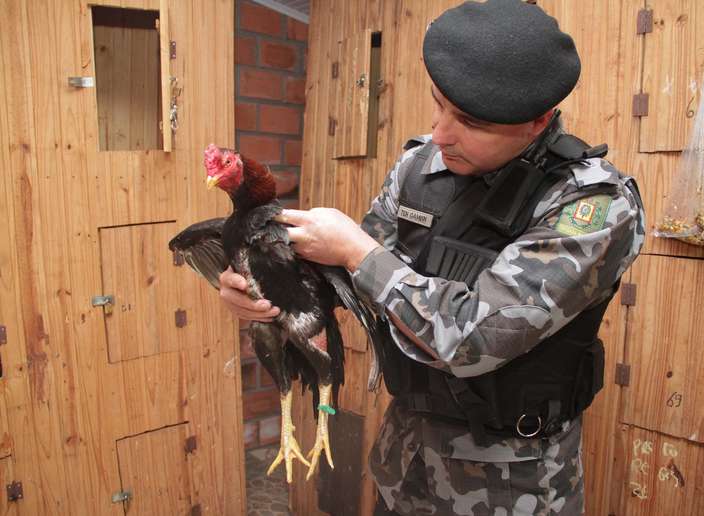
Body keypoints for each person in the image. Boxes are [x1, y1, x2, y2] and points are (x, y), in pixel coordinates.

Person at [220, 0, 646, 514]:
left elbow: (476, 337)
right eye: (438, 103)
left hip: (512, 484)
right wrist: (265, 289)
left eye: (468, 120)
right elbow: (350, 283)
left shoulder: (591, 206)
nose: (441, 132)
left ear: (537, 121)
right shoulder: (421, 167)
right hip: (405, 463)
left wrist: (357, 250)